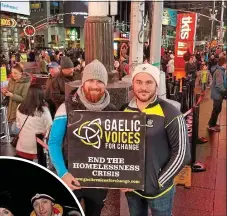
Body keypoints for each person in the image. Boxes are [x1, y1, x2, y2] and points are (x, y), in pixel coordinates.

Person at [120, 64, 191, 216]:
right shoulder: (124, 110)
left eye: (149, 82)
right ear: (132, 84)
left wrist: (158, 182)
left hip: (159, 190)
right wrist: (121, 178)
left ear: (157, 85)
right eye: (139, 82)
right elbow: (117, 146)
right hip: (132, 189)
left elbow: (182, 154)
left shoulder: (170, 112)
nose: (143, 87)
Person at [48, 59, 117, 216]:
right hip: (70, 176)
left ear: (105, 84)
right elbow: (54, 142)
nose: (94, 85)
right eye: (90, 80)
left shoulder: (112, 111)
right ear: (83, 82)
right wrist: (62, 173)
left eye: (99, 81)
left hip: (98, 181)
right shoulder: (66, 107)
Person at [16, 84, 53, 161]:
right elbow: (50, 128)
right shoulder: (43, 110)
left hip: (22, 143)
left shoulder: (20, 107)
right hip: (37, 145)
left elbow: (18, 125)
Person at [1, 63, 31, 136]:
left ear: (21, 73)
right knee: (11, 131)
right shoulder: (11, 81)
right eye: (12, 73)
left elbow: (24, 99)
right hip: (10, 109)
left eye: (15, 73)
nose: (13, 75)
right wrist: (4, 92)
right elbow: (8, 93)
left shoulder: (26, 83)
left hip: (20, 111)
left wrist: (12, 95)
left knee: (15, 130)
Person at [208, 56, 227, 132]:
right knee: (216, 110)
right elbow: (219, 85)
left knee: (217, 109)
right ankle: (211, 126)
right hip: (217, 95)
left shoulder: (221, 71)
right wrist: (225, 92)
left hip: (219, 94)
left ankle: (212, 123)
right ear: (224, 63)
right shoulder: (219, 71)